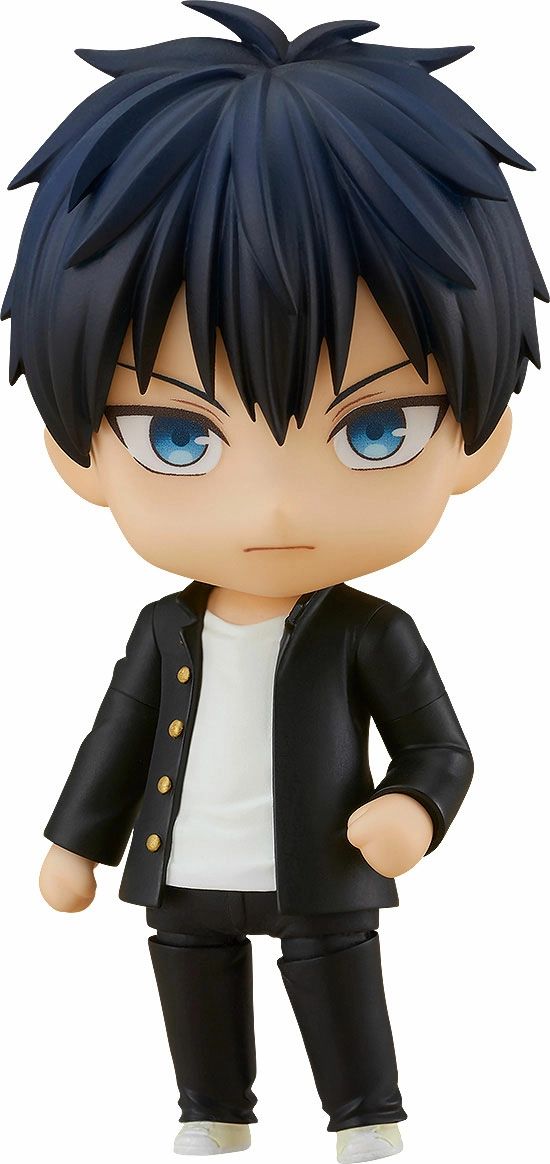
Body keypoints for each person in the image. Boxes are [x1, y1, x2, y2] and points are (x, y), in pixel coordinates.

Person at [3, 4, 546, 1160]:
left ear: (479, 437)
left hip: (324, 871)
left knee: (336, 976)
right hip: (184, 867)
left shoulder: (371, 630)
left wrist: (412, 809)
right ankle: (211, 1111)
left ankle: (365, 1115)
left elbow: (438, 746)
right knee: (189, 973)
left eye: (375, 429)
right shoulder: (163, 629)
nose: (274, 510)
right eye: (179, 437)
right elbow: (116, 739)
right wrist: (75, 842)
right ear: (75, 453)